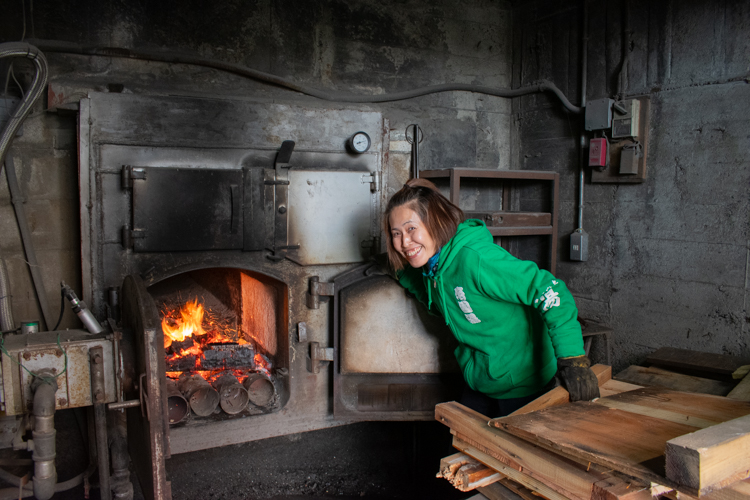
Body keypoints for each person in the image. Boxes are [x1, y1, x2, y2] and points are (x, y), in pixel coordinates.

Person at [384, 178, 599, 418]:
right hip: (482, 380)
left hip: (525, 382)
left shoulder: (476, 260)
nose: (403, 242)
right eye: (396, 233)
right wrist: (398, 269)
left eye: (411, 228)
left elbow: (550, 290)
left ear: (435, 221)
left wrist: (572, 359)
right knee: (460, 450)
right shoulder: (435, 268)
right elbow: (432, 298)